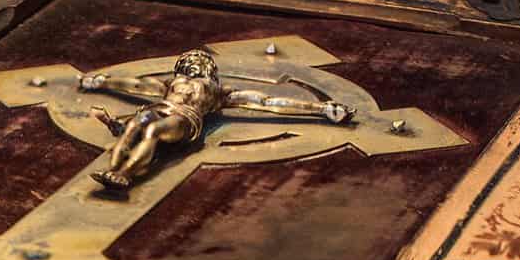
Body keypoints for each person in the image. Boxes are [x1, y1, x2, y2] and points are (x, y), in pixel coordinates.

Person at [79, 48, 352, 189]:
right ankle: (111, 170)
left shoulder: (218, 92)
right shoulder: (171, 83)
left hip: (185, 118)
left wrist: (320, 109)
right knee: (135, 124)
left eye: (199, 60)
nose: (195, 62)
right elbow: (136, 85)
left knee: (153, 132)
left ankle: (124, 174)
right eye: (191, 59)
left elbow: (266, 102)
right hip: (161, 106)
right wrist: (102, 81)